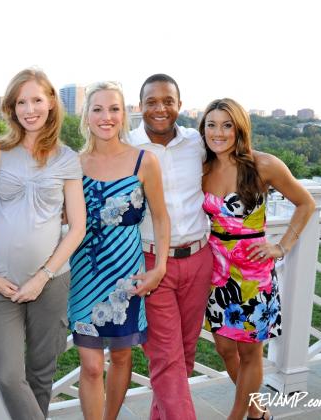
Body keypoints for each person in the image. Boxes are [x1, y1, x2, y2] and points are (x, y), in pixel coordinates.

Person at [0, 68, 86, 420]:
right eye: (21, 102)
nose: (29, 109)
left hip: (51, 283)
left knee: (40, 376)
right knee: (8, 376)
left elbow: (77, 227)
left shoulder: (68, 157)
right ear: (11, 108)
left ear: (51, 103)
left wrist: (42, 276)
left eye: (37, 100)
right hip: (0, 285)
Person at [200, 98, 315, 420]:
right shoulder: (203, 167)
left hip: (252, 273)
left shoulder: (264, 165)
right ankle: (258, 410)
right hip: (217, 272)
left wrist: (282, 246)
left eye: (227, 125)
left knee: (250, 353)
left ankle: (239, 416)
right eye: (211, 125)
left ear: (240, 129)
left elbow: (305, 204)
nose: (218, 133)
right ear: (203, 129)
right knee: (224, 349)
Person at [69, 81, 170, 420]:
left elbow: (160, 216)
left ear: (124, 114)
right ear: (86, 116)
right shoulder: (73, 164)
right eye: (97, 109)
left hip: (127, 275)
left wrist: (160, 268)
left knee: (123, 358)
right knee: (93, 365)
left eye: (113, 109)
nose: (106, 116)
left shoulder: (145, 161)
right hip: (84, 274)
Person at [127, 73, 213, 419]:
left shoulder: (196, 141)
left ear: (179, 104)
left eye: (168, 101)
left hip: (199, 258)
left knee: (185, 356)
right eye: (152, 102)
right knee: (166, 358)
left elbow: (230, 160)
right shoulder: (129, 147)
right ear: (140, 106)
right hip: (152, 263)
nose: (160, 108)